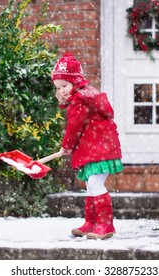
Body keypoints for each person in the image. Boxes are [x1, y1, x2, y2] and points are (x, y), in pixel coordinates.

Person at [51, 52, 123, 239]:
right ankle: (91, 223)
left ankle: (106, 225)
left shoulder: (80, 100)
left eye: (64, 85)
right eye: (58, 88)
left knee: (95, 183)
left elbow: (74, 126)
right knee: (91, 186)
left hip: (100, 149)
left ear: (76, 82)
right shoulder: (86, 95)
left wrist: (66, 145)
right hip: (99, 147)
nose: (61, 91)